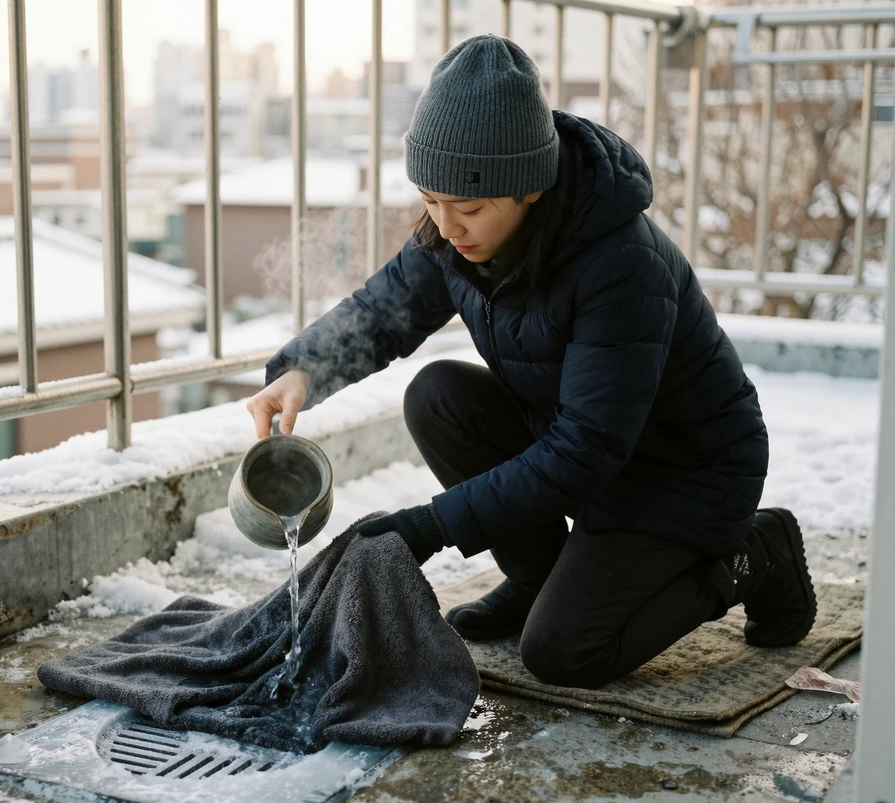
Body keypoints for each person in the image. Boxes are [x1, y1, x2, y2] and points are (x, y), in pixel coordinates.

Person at [245, 34, 815, 690]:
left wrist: (431, 525)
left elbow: (586, 449)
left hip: (683, 477)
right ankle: (539, 577)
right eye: (431, 201)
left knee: (566, 653)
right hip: (588, 444)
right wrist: (304, 370)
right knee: (438, 395)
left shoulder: (621, 264)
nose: (448, 227)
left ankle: (755, 554)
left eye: (469, 207)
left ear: (532, 189)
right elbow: (386, 308)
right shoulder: (457, 230)